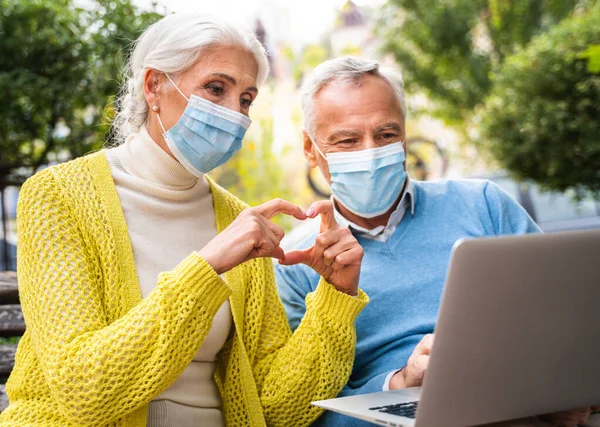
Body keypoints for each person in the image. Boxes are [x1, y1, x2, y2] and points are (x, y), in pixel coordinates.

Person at [0, 16, 370, 427]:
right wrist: (206, 268)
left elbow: (275, 409)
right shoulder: (57, 196)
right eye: (216, 89)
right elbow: (85, 391)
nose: (234, 113)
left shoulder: (236, 217)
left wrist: (336, 297)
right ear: (154, 85)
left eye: (246, 99)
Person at [275, 56, 600, 427]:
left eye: (386, 135)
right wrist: (401, 383)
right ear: (309, 148)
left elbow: (569, 315)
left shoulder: (483, 204)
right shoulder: (296, 262)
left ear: (405, 133)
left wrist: (560, 390)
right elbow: (307, 411)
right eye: (348, 140)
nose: (369, 153)